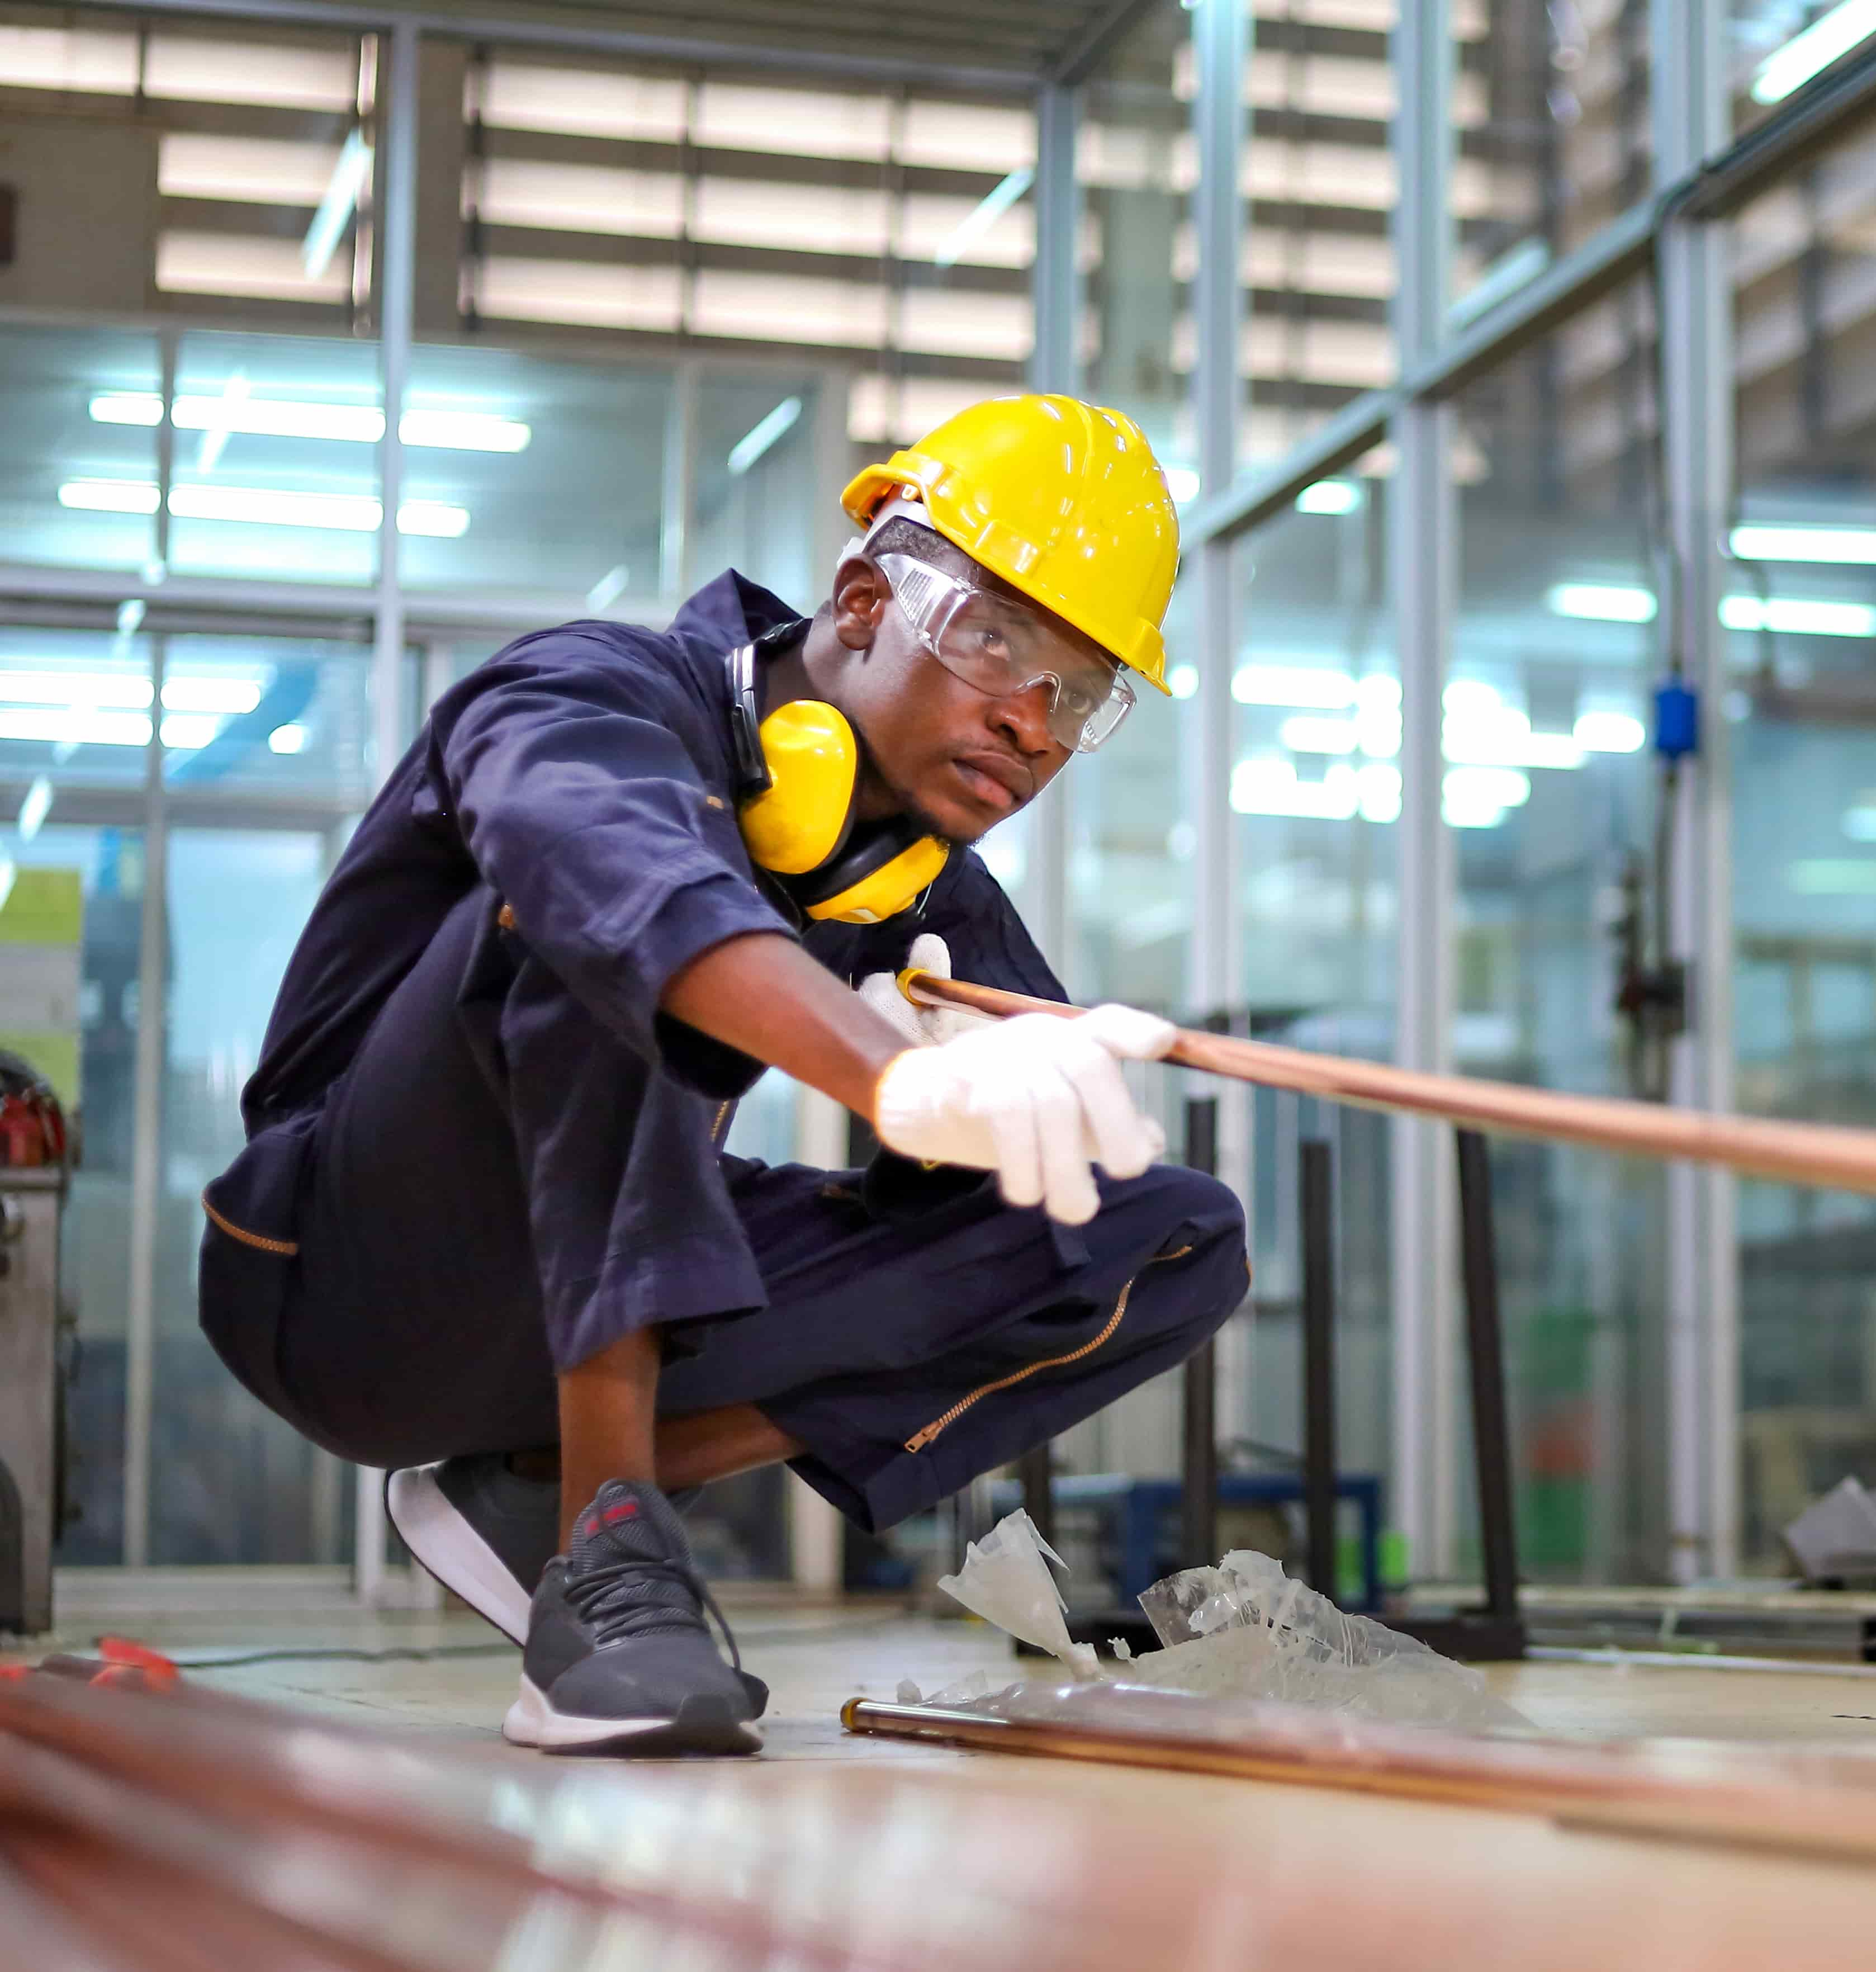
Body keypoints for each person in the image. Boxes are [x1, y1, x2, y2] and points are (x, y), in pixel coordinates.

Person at [198, 395, 1248, 1758]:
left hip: (571, 1305)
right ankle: (607, 1568)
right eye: (997, 641)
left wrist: (998, 1097)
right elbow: (607, 869)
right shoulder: (592, 689)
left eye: (1083, 691)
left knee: (1155, 1229)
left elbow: (1010, 1203)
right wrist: (885, 1072)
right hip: (348, 1276)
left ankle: (552, 1489)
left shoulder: (931, 889)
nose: (1034, 724)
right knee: (593, 921)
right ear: (863, 599)